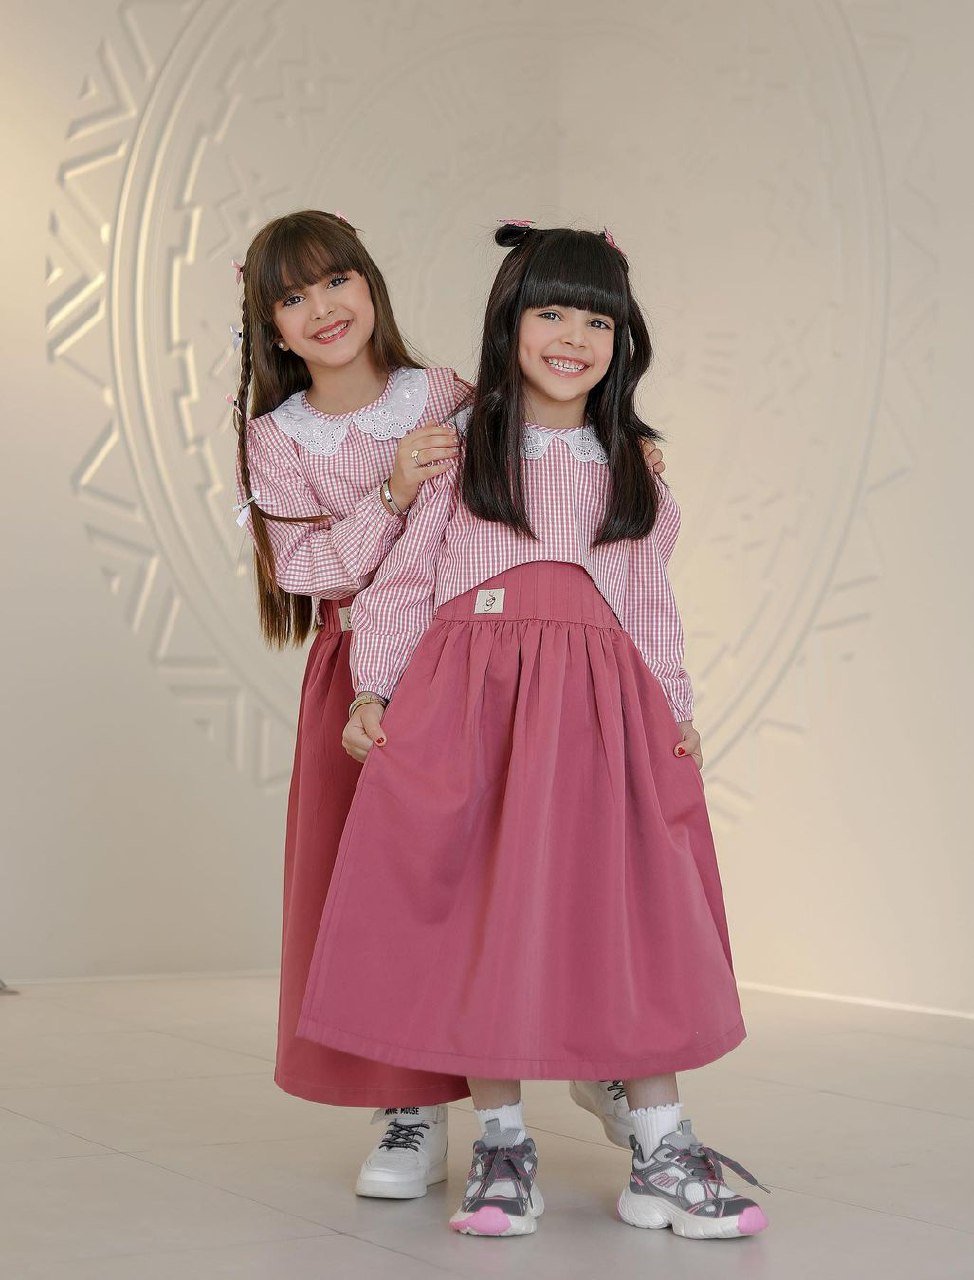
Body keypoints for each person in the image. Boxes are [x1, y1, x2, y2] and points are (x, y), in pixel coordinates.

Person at [298, 223, 769, 1240]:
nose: (572, 337)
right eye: (550, 312)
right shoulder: (461, 451)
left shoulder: (631, 465)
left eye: (596, 320)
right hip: (472, 705)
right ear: (509, 323)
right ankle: (502, 1145)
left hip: (601, 710)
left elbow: (648, 602)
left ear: (622, 341)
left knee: (635, 905)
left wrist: (673, 705)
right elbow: (406, 580)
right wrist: (375, 689)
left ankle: (663, 1147)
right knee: (484, 906)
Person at [232, 210, 659, 1200]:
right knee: (383, 890)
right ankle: (409, 1104)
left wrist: (632, 456)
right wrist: (387, 492)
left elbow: (548, 447)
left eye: (335, 280)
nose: (322, 308)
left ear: (369, 283)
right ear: (270, 328)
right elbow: (307, 571)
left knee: (525, 866)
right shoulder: (276, 438)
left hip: (483, 665)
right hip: (364, 669)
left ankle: (595, 1049)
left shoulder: (445, 395)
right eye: (291, 298)